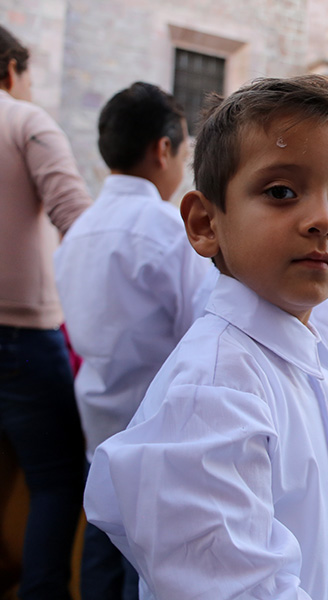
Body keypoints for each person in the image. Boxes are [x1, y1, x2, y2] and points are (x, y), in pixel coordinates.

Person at [83, 75, 328, 599]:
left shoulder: (304, 356)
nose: (323, 221)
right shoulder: (215, 391)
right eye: (281, 192)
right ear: (205, 223)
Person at [54, 82, 203, 600]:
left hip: (98, 427)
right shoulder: (168, 230)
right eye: (184, 151)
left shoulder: (77, 234)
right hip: (156, 438)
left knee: (100, 558)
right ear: (163, 149)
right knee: (150, 574)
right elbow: (199, 337)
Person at [0, 25, 91, 599]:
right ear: (11, 69)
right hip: (21, 337)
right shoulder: (24, 120)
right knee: (57, 479)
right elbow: (81, 226)